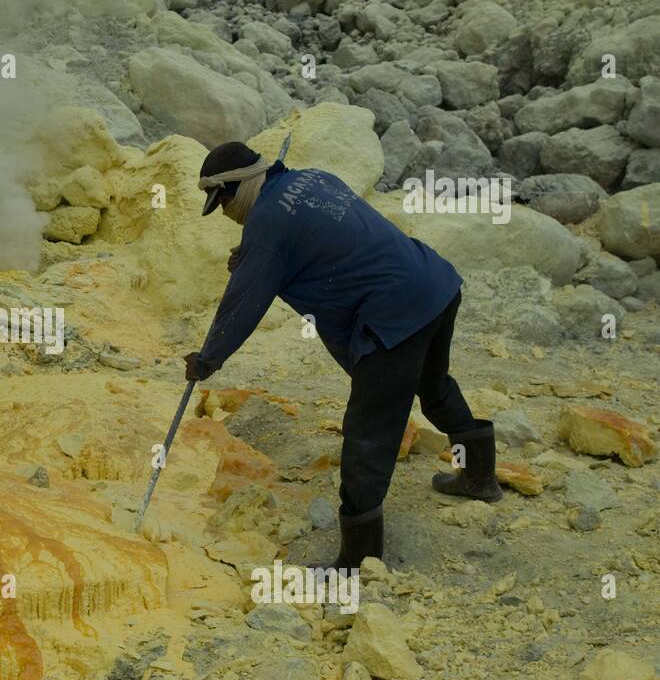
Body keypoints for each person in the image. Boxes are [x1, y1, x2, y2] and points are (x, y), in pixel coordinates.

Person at [184, 141, 502, 570]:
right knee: (433, 385)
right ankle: (480, 478)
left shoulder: (268, 222)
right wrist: (260, 252)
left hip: (394, 314)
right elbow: (325, 236)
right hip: (434, 284)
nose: (223, 211)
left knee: (369, 431)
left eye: (221, 201)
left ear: (238, 185)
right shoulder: (310, 178)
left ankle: (358, 559)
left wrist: (209, 357)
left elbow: (244, 302)